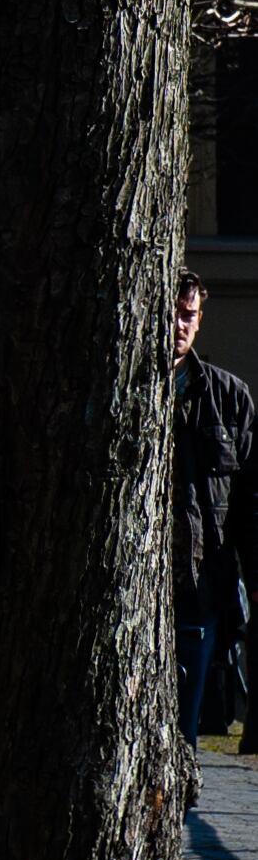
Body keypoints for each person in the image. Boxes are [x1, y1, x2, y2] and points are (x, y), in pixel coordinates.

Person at [172, 274, 256, 747]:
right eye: (173, 313)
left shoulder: (230, 398)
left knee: (186, 730)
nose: (179, 325)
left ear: (201, 321)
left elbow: (247, 502)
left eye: (188, 315)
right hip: (144, 583)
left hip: (201, 587)